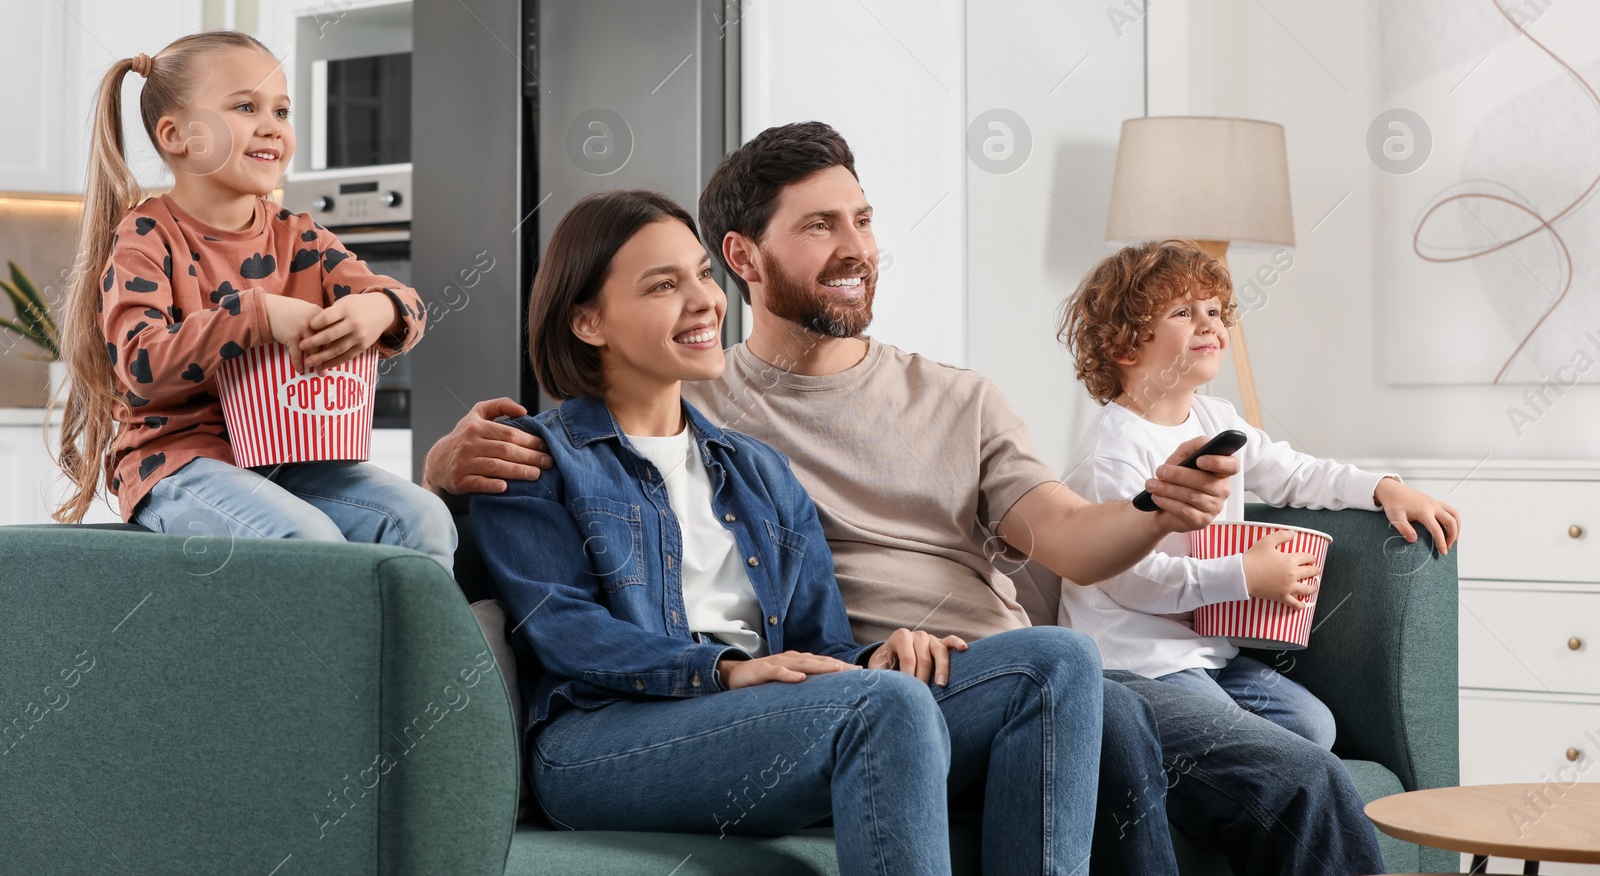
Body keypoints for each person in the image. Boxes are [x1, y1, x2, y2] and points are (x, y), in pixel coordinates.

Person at [430, 122, 1388, 876]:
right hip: (694, 711)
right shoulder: (616, 423)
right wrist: (439, 471)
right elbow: (554, 599)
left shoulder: (808, 446)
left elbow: (1059, 540)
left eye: (864, 219)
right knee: (1093, 716)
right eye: (820, 225)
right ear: (747, 257)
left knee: (1085, 675)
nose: (857, 247)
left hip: (964, 670)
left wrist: (1151, 508)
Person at [469, 188, 1103, 876]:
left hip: (769, 714)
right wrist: (726, 670)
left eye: (704, 274)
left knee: (1056, 662)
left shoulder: (758, 470)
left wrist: (879, 654)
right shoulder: (531, 456)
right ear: (588, 321)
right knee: (883, 708)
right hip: (603, 737)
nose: (705, 300)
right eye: (663, 284)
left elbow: (818, 642)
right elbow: (561, 627)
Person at [52, 31, 455, 573]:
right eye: (245, 106)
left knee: (423, 519)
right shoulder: (146, 236)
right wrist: (256, 315)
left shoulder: (301, 237)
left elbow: (406, 303)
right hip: (177, 463)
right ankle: (329, 660)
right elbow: (142, 364)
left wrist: (379, 308)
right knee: (305, 539)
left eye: (282, 110)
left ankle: (422, 659)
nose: (272, 125)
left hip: (290, 457)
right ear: (177, 136)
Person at [1055, 239, 1461, 748]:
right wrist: (1244, 577)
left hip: (1210, 655)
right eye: (1183, 312)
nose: (1210, 324)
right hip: (1138, 663)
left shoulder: (1216, 418)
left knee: (1315, 728)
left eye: (1214, 311)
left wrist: (1380, 488)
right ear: (1125, 345)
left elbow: (1292, 473)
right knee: (1239, 743)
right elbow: (1131, 583)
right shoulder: (1110, 452)